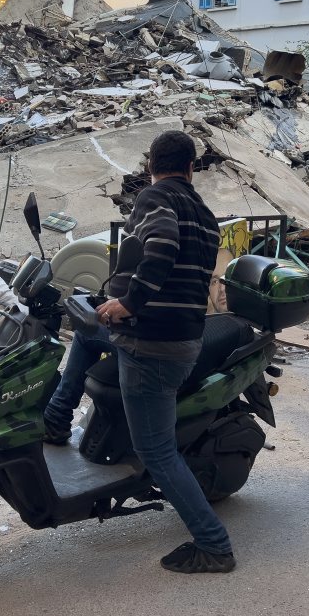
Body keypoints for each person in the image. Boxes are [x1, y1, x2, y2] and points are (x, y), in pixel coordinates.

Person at [95, 130, 233, 574]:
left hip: (151, 343)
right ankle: (61, 426)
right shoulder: (206, 214)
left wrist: (130, 303)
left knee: (155, 451)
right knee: (85, 334)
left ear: (151, 165)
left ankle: (214, 545)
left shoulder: (155, 199)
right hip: (181, 335)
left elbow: (162, 245)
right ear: (191, 167)